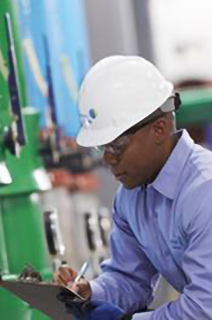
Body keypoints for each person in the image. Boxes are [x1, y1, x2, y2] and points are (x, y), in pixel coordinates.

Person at [56, 56, 212, 319]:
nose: (108, 159)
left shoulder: (204, 191)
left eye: (116, 145)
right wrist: (91, 292)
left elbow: (204, 309)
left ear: (160, 129)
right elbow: (130, 280)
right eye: (102, 147)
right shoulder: (130, 197)